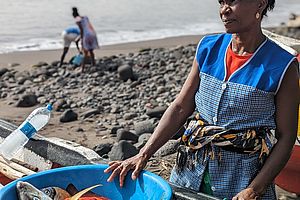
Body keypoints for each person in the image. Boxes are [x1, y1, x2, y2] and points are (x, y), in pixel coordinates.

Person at [104, 0, 299, 199]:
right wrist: (143, 154)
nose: (224, 10)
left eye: (233, 1)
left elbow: (286, 137)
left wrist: (254, 189)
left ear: (260, 4)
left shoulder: (283, 66)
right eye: (222, 2)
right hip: (190, 170)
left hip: (243, 179)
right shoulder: (208, 47)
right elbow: (181, 106)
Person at [72, 7, 99, 72]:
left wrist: (80, 39)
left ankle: (82, 68)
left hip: (86, 36)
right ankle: (93, 65)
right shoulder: (85, 17)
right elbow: (88, 26)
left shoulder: (77, 20)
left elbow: (82, 30)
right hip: (92, 33)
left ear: (73, 15)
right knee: (91, 50)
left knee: (85, 52)